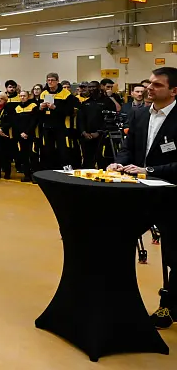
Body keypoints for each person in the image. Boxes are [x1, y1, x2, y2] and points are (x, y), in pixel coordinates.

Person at [108, 67, 177, 329]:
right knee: (118, 241)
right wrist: (118, 164)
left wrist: (150, 171)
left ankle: (169, 306)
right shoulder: (139, 115)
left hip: (171, 195)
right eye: (149, 83)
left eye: (157, 85)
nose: (150, 88)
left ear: (174, 91)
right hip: (139, 194)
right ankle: (119, 301)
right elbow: (129, 150)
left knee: (174, 255)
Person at [39, 73, 77, 169]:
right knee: (48, 149)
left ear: (57, 81)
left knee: (63, 149)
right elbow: (37, 112)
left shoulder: (66, 94)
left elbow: (70, 111)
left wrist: (55, 107)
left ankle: (66, 168)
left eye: (52, 80)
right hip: (47, 125)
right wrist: (40, 107)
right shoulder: (44, 93)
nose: (50, 82)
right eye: (48, 80)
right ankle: (50, 169)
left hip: (61, 125)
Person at [78, 81, 111, 169]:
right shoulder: (85, 103)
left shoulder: (107, 102)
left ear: (99, 87)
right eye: (90, 87)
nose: (91, 89)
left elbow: (110, 119)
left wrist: (99, 132)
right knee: (87, 160)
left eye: (94, 87)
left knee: (101, 159)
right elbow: (80, 119)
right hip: (87, 136)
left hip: (102, 137)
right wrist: (84, 132)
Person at [13, 90, 39, 182]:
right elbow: (16, 123)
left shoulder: (33, 106)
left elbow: (34, 121)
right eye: (21, 96)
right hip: (21, 136)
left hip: (31, 135)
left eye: (24, 96)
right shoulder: (17, 108)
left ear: (28, 97)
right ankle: (26, 175)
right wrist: (21, 133)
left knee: (33, 155)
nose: (22, 97)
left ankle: (35, 176)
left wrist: (27, 132)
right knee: (24, 156)